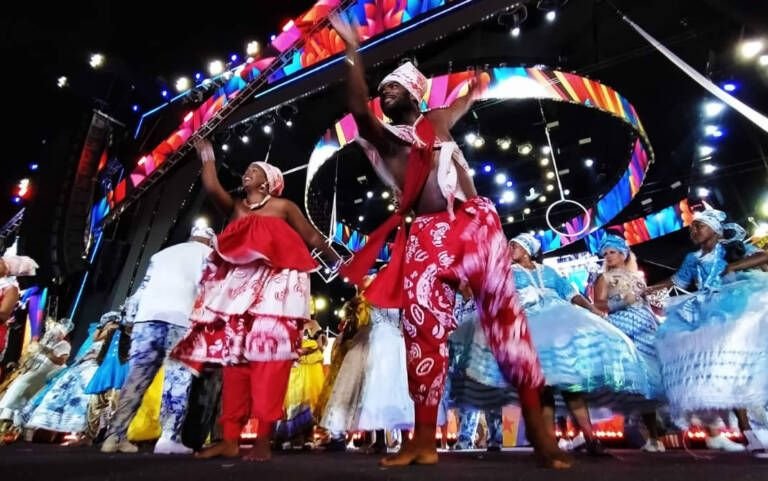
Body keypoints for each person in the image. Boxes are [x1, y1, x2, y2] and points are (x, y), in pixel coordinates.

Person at [330, 14, 569, 468]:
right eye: (383, 88)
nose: (385, 92)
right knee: (422, 331)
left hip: (476, 225)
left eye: (394, 87)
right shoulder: (388, 139)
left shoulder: (438, 119)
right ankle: (423, 442)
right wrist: (353, 51)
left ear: (414, 94)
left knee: (507, 323)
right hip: (426, 233)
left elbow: (460, 104)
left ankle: (543, 438)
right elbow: (360, 109)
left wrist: (475, 90)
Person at [171, 138, 338, 461]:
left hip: (277, 289)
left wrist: (341, 263)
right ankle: (230, 439)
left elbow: (312, 236)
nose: (247, 173)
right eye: (247, 169)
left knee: (270, 361)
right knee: (235, 364)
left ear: (268, 182)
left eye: (255, 170)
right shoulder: (237, 208)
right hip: (238, 294)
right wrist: (207, 156)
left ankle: (263, 440)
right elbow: (212, 186)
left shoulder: (283, 206)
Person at [508, 233, 650, 455]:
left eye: (514, 245)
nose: (509, 249)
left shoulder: (548, 272)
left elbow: (571, 294)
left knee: (571, 384)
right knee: (544, 388)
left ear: (527, 250)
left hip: (558, 326)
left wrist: (592, 309)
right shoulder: (508, 272)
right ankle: (549, 444)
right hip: (532, 328)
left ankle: (591, 438)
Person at [646, 209, 768, 455]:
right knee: (726, 371)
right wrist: (647, 289)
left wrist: (733, 266)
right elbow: (676, 282)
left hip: (735, 307)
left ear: (715, 229)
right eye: (692, 227)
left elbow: (764, 256)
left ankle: (755, 428)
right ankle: (749, 433)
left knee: (745, 368)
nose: (694, 231)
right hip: (707, 313)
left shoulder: (732, 248)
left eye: (699, 226)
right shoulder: (693, 258)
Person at [101, 226, 215, 455]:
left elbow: (142, 289)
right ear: (210, 242)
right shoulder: (209, 255)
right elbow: (208, 289)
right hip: (182, 319)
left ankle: (114, 437)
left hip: (147, 319)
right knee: (178, 378)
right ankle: (168, 438)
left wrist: (130, 320)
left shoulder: (161, 254)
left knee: (136, 378)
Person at [592, 235, 665, 452]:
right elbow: (598, 305)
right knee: (633, 381)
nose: (608, 256)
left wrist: (653, 302)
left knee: (652, 381)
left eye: (612, 252)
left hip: (646, 328)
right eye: (605, 254)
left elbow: (646, 302)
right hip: (622, 329)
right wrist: (622, 301)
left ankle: (654, 437)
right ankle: (633, 427)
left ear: (623, 254)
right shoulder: (604, 278)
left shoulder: (637, 276)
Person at [0, 317, 72, 436]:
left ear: (61, 334)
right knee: (15, 391)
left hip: (44, 374)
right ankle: (8, 424)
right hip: (32, 371)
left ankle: (14, 424)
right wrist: (19, 364)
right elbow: (30, 357)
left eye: (55, 332)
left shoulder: (64, 345)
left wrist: (46, 351)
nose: (51, 333)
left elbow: (60, 361)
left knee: (18, 390)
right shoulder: (43, 342)